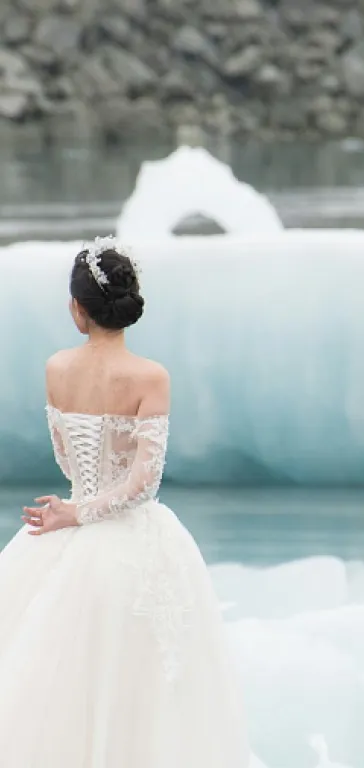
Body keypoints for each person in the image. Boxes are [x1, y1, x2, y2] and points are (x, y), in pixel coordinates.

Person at [0, 236, 251, 767]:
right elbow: (143, 484)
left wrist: (76, 509)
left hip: (64, 529)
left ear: (77, 308)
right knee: (145, 687)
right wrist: (84, 510)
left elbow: (68, 463)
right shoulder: (150, 377)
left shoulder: (56, 369)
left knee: (54, 680)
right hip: (131, 540)